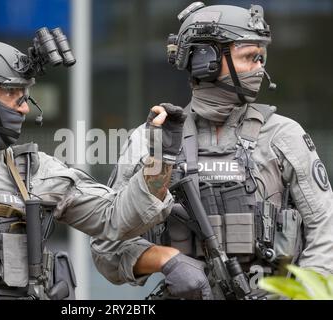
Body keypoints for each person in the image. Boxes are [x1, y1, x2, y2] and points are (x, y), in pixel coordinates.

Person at [0, 29, 184, 300]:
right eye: (12, 93)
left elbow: (118, 218)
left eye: (26, 95)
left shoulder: (40, 169)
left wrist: (161, 157)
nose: (25, 107)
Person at [90, 2, 333, 300]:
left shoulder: (284, 136)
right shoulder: (154, 140)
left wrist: (297, 294)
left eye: (262, 57)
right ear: (206, 59)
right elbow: (107, 248)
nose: (260, 68)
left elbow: (325, 234)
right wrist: (168, 260)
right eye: (249, 57)